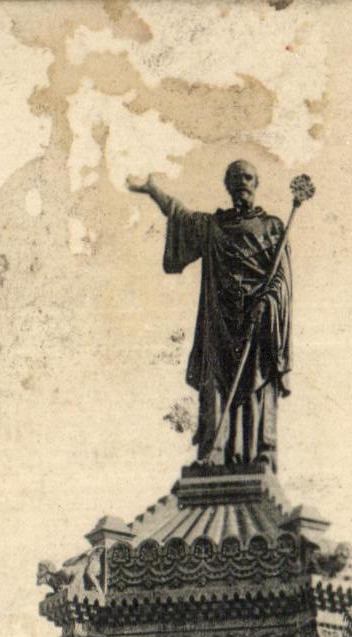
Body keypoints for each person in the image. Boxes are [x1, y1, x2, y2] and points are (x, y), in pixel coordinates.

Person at [126, 161, 291, 470]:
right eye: (235, 177)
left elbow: (281, 278)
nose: (242, 182)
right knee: (214, 384)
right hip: (219, 321)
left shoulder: (272, 227)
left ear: (257, 183)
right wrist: (152, 189)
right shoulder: (213, 226)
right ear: (227, 185)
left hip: (257, 321)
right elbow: (180, 216)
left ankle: (258, 455)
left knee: (256, 383)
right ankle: (213, 453)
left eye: (248, 176)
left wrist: (267, 301)